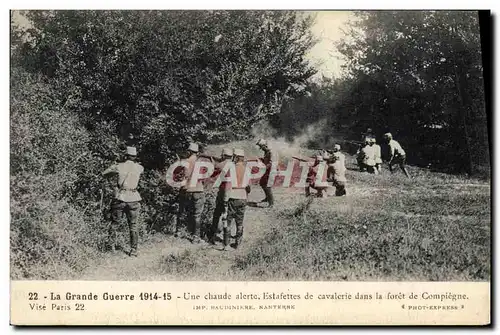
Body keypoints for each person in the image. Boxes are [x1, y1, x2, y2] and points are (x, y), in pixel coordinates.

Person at [102, 146, 144, 257]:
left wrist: (114, 185)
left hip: (121, 197)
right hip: (134, 198)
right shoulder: (140, 167)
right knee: (133, 226)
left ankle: (111, 247)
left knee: (115, 223)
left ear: (126, 156)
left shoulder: (119, 166)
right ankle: (133, 250)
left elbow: (105, 173)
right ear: (135, 157)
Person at [176, 142, 207, 243]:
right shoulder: (201, 163)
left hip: (187, 190)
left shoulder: (185, 162)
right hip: (198, 190)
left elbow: (181, 176)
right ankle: (196, 237)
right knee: (197, 215)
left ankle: (179, 232)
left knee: (182, 211)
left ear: (189, 151)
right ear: (197, 152)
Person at [223, 148, 249, 251]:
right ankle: (238, 244)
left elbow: (228, 185)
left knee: (228, 221)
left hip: (232, 196)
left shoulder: (231, 168)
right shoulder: (247, 169)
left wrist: (225, 199)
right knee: (240, 221)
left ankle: (226, 245)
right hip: (242, 196)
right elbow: (248, 187)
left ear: (236, 157)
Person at [208, 148, 234, 245]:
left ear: (223, 155)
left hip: (223, 191)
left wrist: (213, 161)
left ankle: (213, 234)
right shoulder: (234, 164)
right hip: (232, 192)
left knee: (217, 213)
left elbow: (213, 170)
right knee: (227, 215)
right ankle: (226, 237)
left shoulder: (222, 164)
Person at [256, 139, 274, 208]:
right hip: (267, 170)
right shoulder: (266, 152)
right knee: (262, 183)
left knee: (267, 185)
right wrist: (261, 160)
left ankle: (271, 203)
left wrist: (264, 167)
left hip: (270, 171)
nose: (261, 149)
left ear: (264, 145)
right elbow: (266, 161)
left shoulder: (270, 152)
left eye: (261, 147)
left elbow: (271, 163)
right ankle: (267, 197)